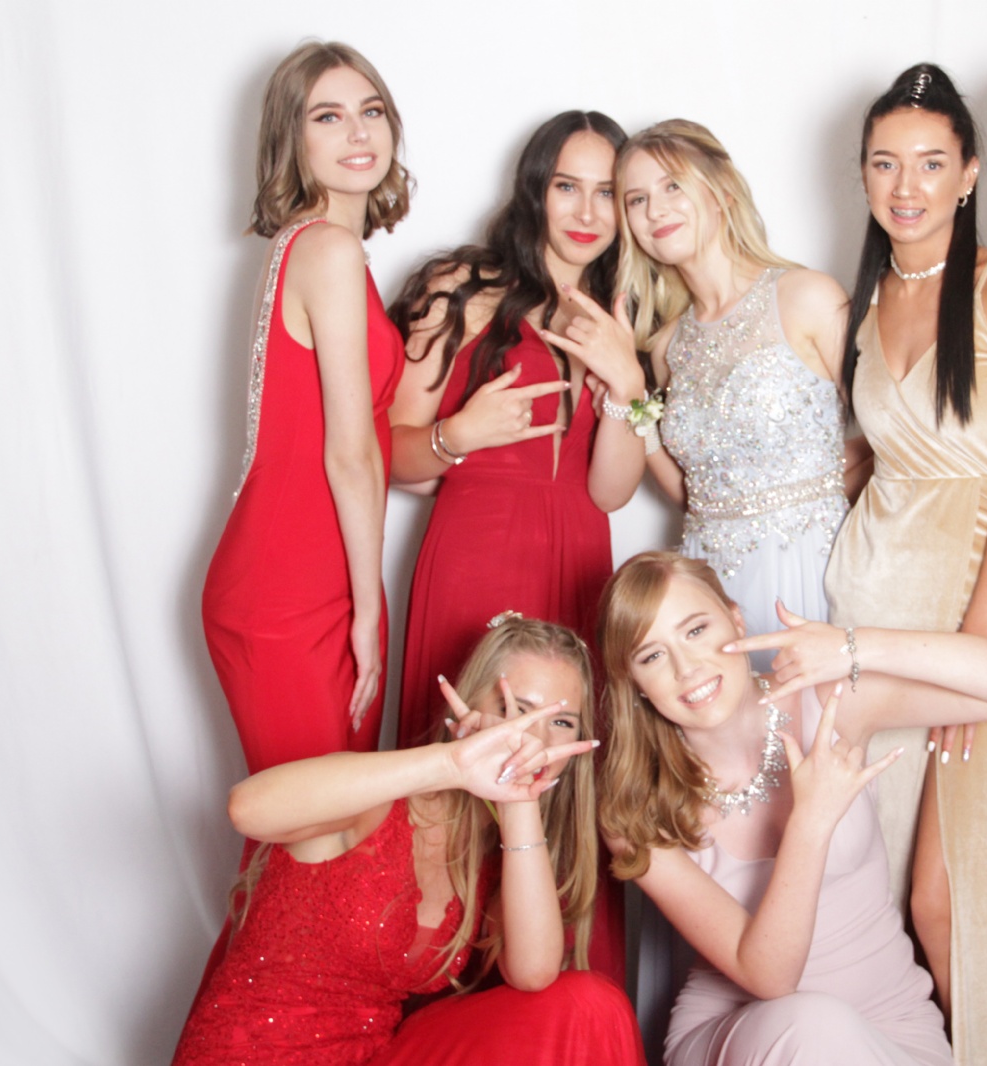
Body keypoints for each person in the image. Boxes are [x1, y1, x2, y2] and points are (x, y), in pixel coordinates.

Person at [584, 551, 987, 1065]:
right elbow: (769, 977)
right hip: (743, 1035)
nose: (686, 667)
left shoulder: (827, 701)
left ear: (735, 619)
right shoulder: (631, 808)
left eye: (696, 630)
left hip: (892, 1023)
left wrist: (853, 647)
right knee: (814, 1025)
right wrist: (811, 821)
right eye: (652, 656)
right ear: (634, 683)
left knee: (829, 1031)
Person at [822, 63, 987, 1064]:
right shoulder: (866, 299)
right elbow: (876, 455)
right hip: (870, 598)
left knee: (948, 893)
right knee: (869, 894)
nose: (905, 185)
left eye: (929, 163)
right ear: (863, 174)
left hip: (975, 601)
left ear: (968, 174)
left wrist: (977, 650)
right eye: (885, 163)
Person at [173, 615, 644, 1065]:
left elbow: (534, 972)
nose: (532, 740)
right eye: (514, 710)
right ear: (467, 704)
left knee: (591, 1004)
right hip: (245, 1055)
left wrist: (519, 801)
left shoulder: (499, 857)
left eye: (561, 723)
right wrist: (451, 763)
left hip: (372, 1055)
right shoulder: (380, 795)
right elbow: (246, 809)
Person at [388, 110, 645, 750]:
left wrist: (627, 385)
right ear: (535, 190)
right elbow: (387, 455)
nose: (586, 212)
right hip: (476, 557)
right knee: (461, 757)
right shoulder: (462, 291)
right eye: (566, 187)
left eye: (607, 192)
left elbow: (610, 493)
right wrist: (459, 435)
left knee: (563, 766)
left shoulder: (624, 313)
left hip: (582, 563)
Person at [202, 41, 408, 773]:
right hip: (290, 591)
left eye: (371, 111)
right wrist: (369, 609)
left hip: (317, 577)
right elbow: (349, 453)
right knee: (314, 824)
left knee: (341, 820)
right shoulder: (327, 251)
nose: (358, 132)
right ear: (292, 137)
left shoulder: (321, 249)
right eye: (328, 116)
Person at [614, 120, 852, 667]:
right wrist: (630, 393)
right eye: (637, 199)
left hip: (811, 567)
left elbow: (894, 437)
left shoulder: (808, 297)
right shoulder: (668, 346)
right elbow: (692, 493)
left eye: (673, 186)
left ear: (721, 191)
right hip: (710, 582)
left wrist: (818, 490)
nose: (655, 210)